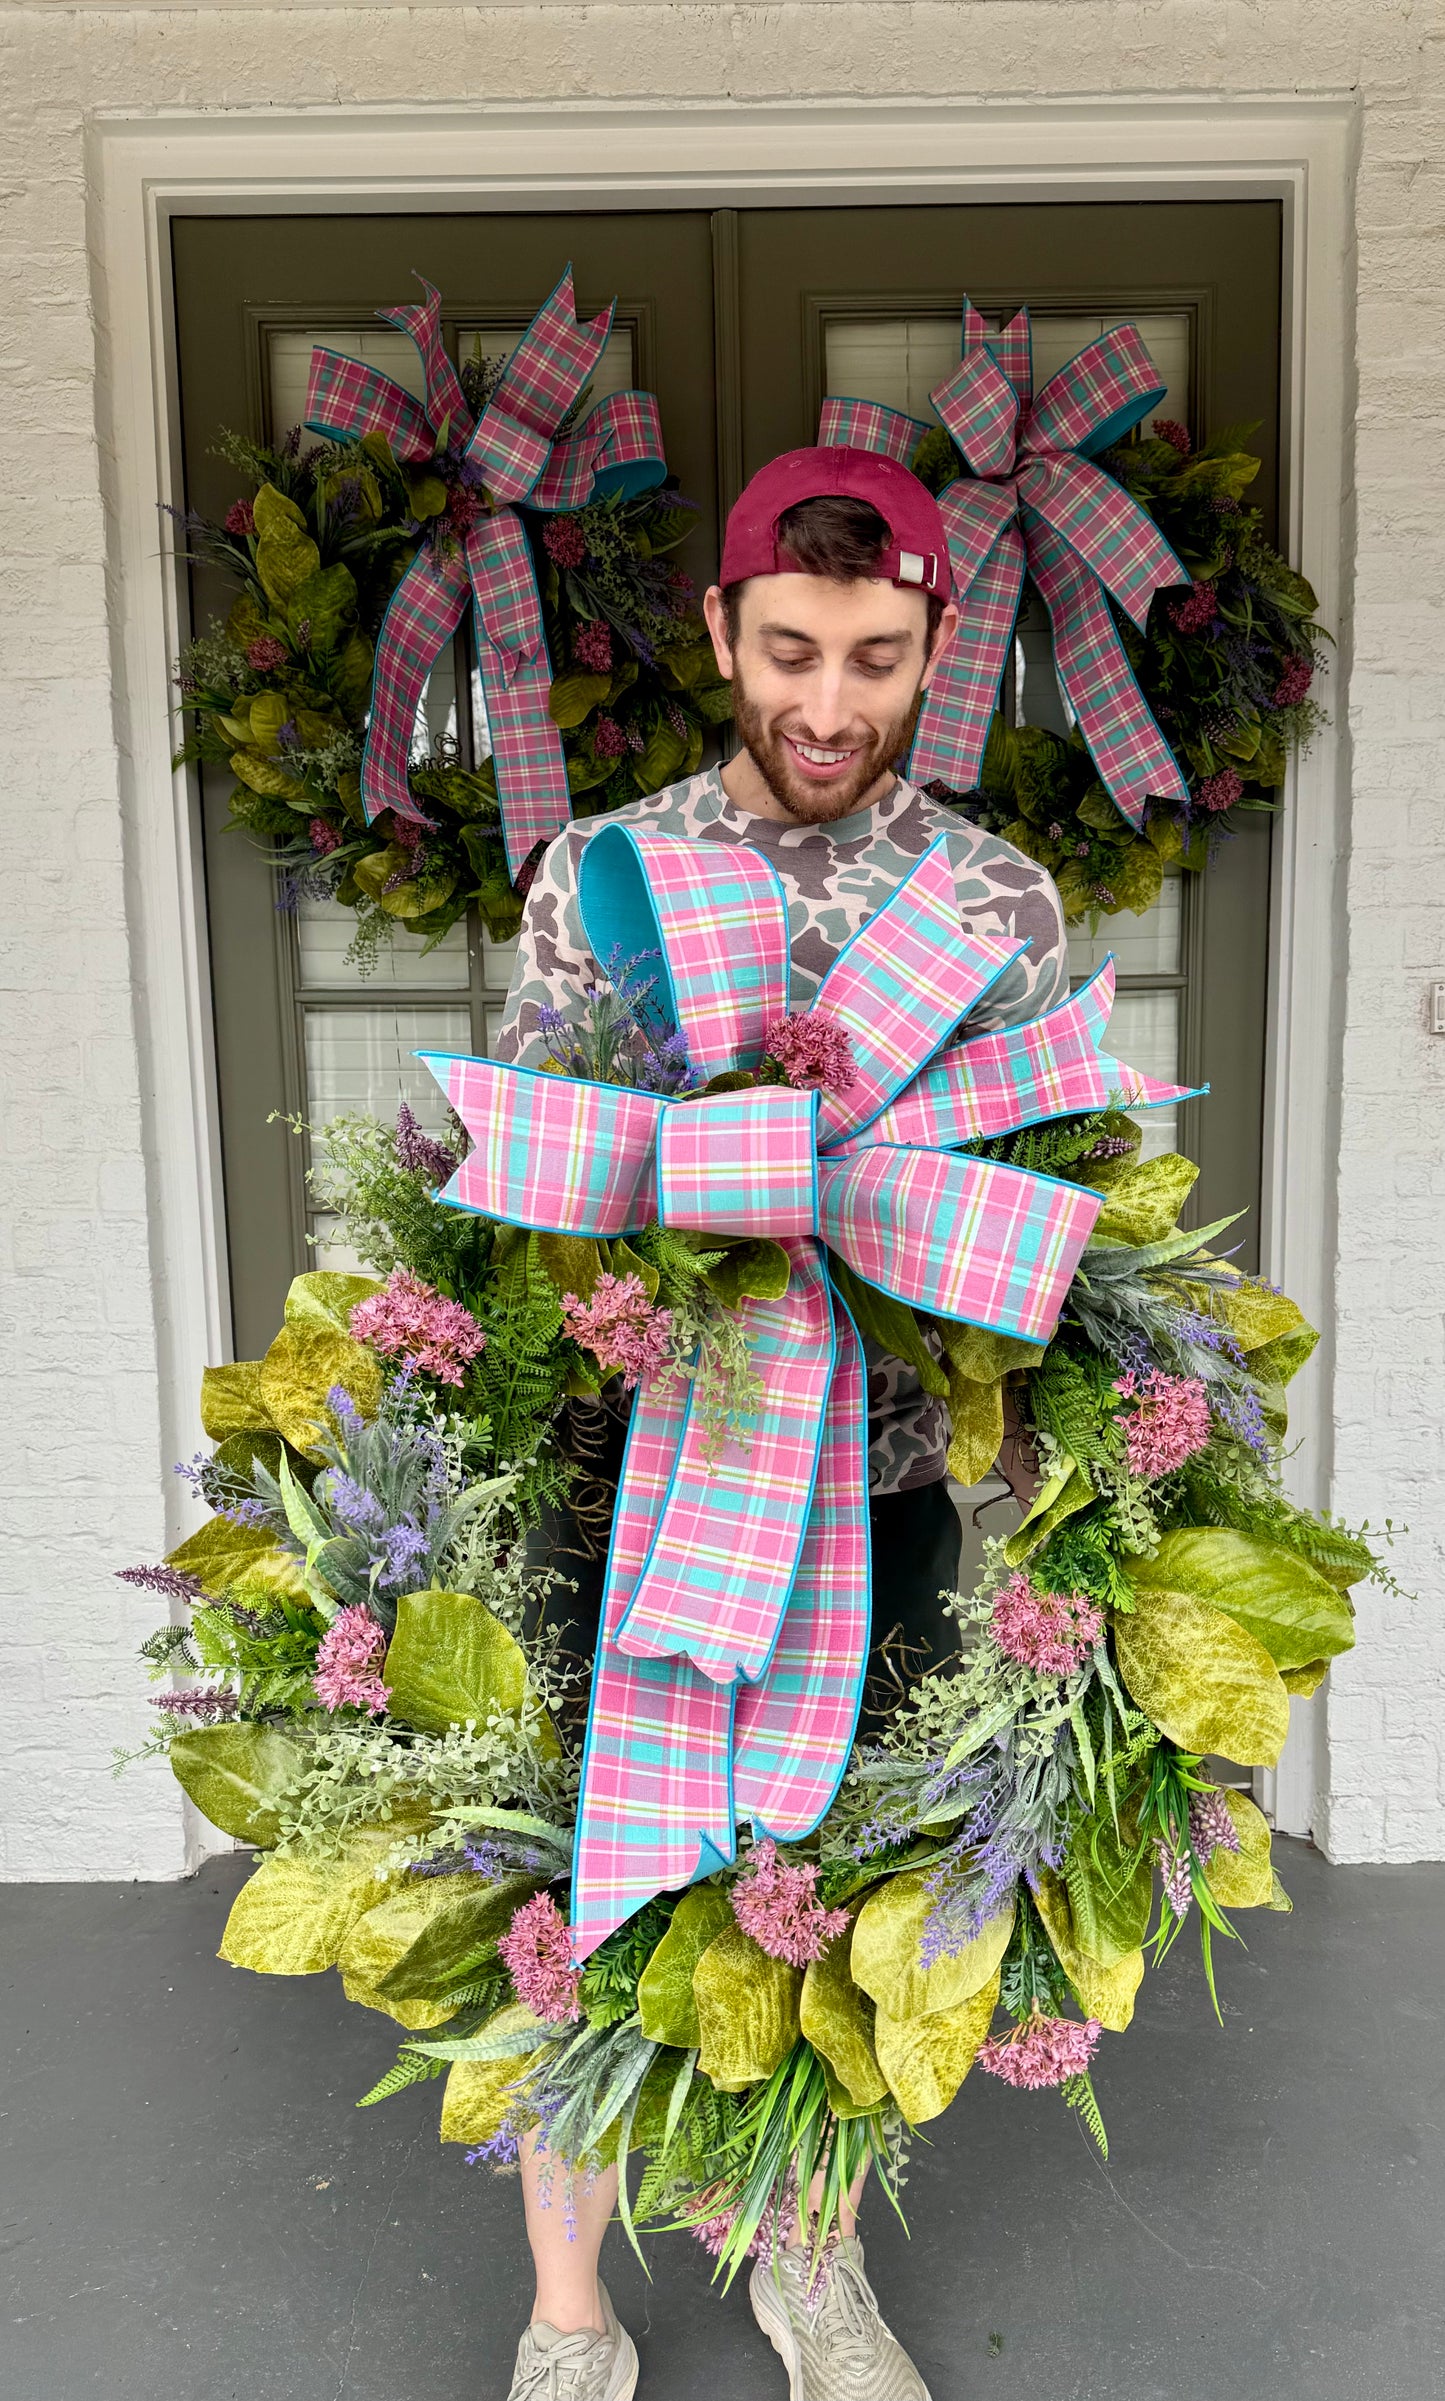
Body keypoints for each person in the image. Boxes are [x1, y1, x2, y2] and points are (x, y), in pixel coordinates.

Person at [493, 445, 1070, 2401]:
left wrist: (1048, 1496)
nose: (833, 705)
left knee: (827, 1885)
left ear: (935, 652)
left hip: (888, 1486)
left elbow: (1053, 1209)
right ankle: (569, 2307)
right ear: (724, 628)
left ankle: (801, 2265)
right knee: (568, 1889)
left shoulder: (990, 897)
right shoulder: (608, 876)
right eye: (798, 649)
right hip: (642, 1481)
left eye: (882, 660)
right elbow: (522, 1193)